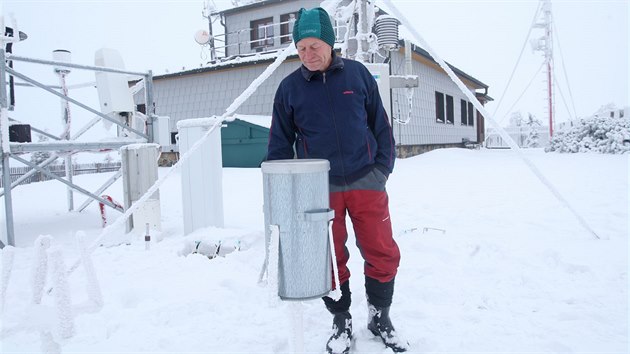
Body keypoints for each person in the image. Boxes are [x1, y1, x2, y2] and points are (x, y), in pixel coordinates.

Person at [266, 7, 409, 354]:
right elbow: (280, 145)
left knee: (381, 250)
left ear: (329, 43)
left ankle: (379, 315)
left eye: (314, 45)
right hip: (319, 189)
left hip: (366, 181)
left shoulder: (358, 76)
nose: (308, 54)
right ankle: (341, 319)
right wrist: (288, 193)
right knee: (330, 257)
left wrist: (382, 170)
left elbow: (380, 126)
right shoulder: (289, 89)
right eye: (301, 48)